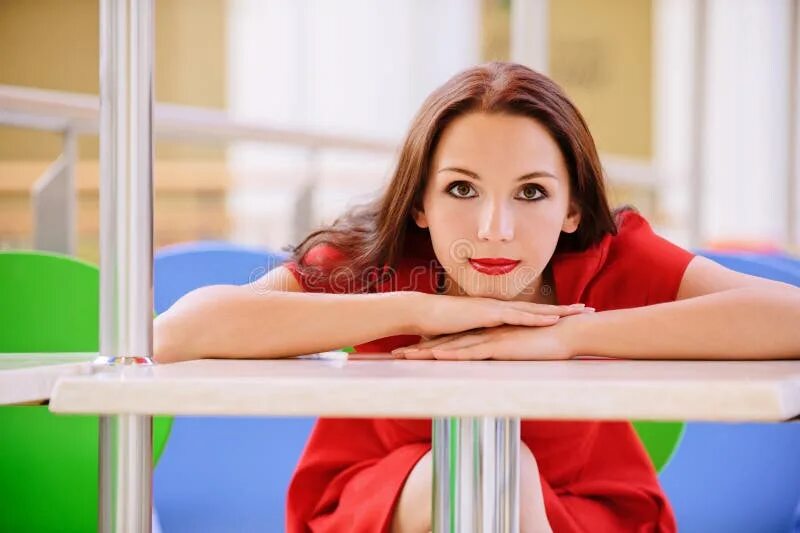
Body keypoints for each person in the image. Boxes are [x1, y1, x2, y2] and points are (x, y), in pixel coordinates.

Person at [154, 62, 800, 532]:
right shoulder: (382, 262)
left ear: (572, 207)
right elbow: (177, 332)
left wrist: (567, 335)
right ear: (421, 204)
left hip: (583, 510)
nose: (496, 228)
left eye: (531, 192)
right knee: (483, 467)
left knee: (498, 468)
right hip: (386, 506)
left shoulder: (606, 258)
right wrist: (420, 308)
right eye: (463, 190)